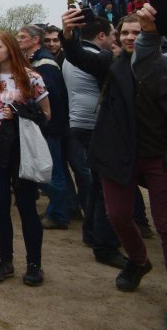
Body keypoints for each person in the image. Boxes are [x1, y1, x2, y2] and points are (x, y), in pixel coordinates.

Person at [61, 8, 166, 292]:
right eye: (126, 33)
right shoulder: (112, 63)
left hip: (158, 154)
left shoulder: (162, 65)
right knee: (118, 215)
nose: (131, 37)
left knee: (164, 224)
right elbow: (79, 56)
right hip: (118, 153)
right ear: (117, 38)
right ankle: (138, 260)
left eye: (138, 32)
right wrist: (69, 34)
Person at [0, 32, 51, 287]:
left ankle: (34, 264)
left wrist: (21, 112)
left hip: (21, 147)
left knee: (27, 205)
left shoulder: (31, 78)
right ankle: (5, 261)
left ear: (10, 48)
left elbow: (47, 113)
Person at [61, 17, 126, 268]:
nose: (115, 40)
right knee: (102, 185)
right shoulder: (95, 56)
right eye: (114, 34)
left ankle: (93, 233)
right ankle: (104, 241)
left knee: (98, 184)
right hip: (93, 125)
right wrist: (68, 37)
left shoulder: (73, 57)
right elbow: (80, 56)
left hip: (81, 123)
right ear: (102, 35)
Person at [16, 24, 70, 230]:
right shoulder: (32, 60)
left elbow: (50, 97)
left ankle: (58, 214)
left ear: (34, 40)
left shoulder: (45, 63)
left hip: (49, 126)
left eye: (22, 36)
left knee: (52, 170)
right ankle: (61, 209)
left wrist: (46, 123)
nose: (18, 39)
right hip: (43, 125)